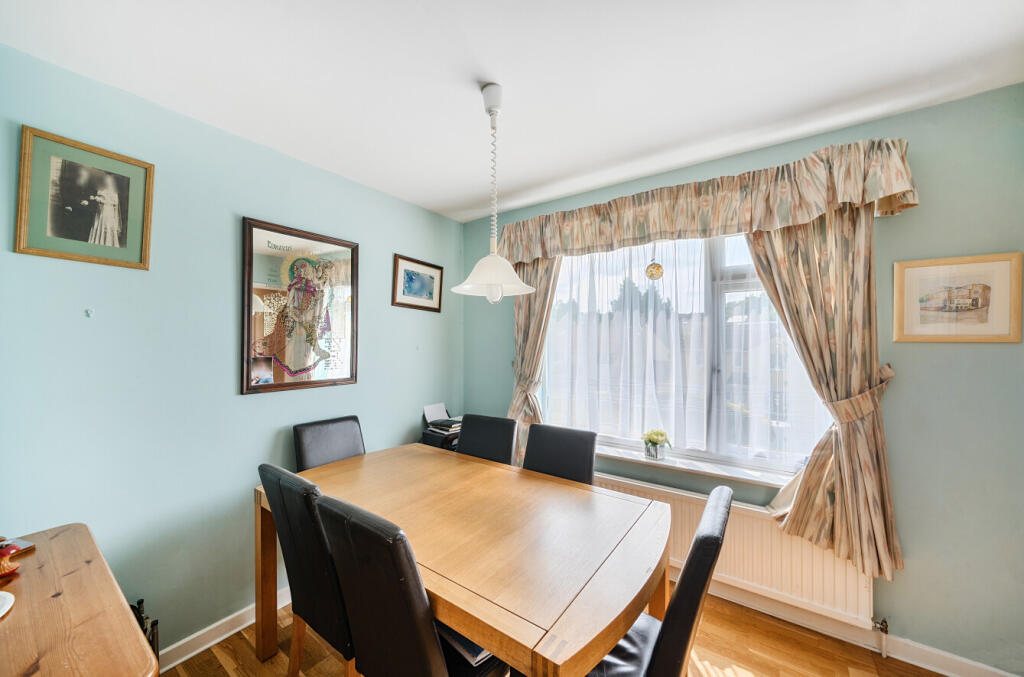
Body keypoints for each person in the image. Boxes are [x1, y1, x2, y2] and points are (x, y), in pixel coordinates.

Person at [87, 173, 123, 248]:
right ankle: (98, 241)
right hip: (99, 211)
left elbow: (114, 202)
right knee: (98, 224)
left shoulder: (113, 192)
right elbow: (97, 198)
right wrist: (94, 198)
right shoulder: (101, 190)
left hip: (108, 211)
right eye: (105, 180)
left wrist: (101, 200)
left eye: (108, 181)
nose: (106, 182)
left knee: (106, 225)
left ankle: (106, 243)